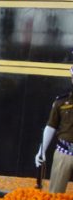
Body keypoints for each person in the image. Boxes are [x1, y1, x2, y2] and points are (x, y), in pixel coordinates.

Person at [35, 64, 73, 193]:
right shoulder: (62, 102)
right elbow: (51, 126)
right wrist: (42, 150)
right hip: (64, 153)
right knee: (55, 196)